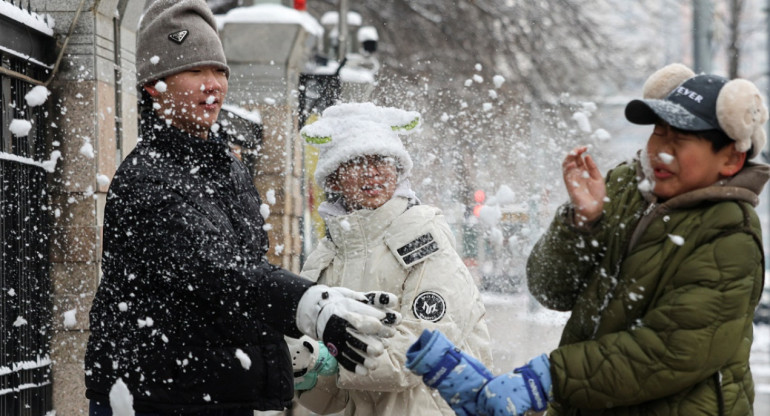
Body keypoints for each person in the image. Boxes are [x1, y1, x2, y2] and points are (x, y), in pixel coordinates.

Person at [84, 2, 401, 415]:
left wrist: (297, 337)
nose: (212, 85)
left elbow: (243, 280)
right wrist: (309, 305)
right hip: (158, 399)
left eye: (219, 71)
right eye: (195, 71)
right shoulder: (149, 180)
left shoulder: (226, 167)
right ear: (154, 85)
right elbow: (219, 272)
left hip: (213, 395)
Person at [405, 63, 770, 416]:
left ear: (731, 159)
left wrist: (551, 377)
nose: (662, 149)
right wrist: (583, 222)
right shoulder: (626, 187)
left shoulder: (730, 232)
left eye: (682, 140)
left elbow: (673, 350)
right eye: (659, 132)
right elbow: (550, 289)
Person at [286, 102, 492, 415]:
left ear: (398, 170)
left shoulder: (423, 234)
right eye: (355, 161)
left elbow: (414, 357)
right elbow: (327, 400)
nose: (371, 171)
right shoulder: (326, 257)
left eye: (382, 159)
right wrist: (303, 368)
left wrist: (328, 359)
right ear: (333, 179)